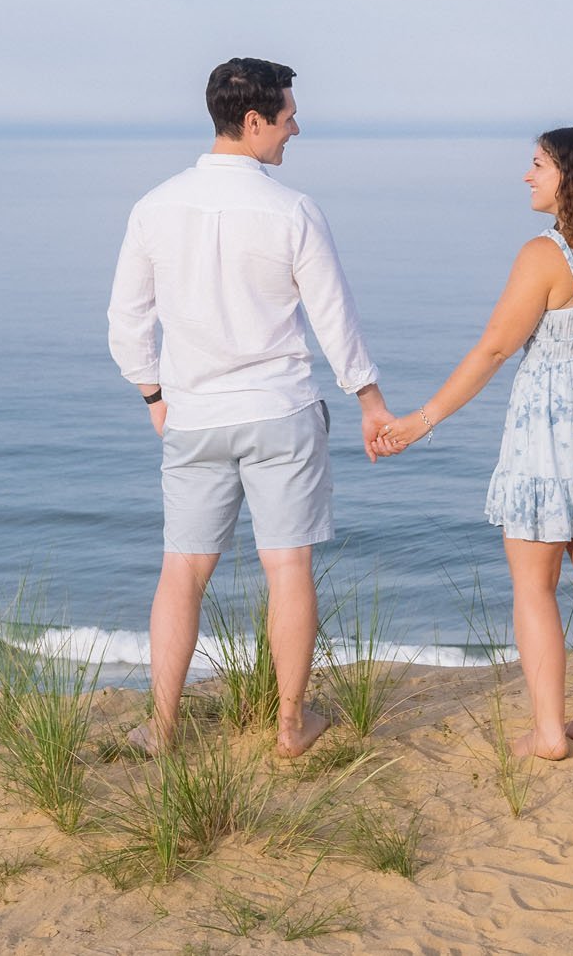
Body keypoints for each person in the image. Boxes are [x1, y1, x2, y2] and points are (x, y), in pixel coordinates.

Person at [107, 57, 395, 757]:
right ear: (254, 121)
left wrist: (153, 392)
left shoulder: (155, 205)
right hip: (280, 410)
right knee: (287, 567)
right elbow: (335, 319)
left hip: (195, 413)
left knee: (182, 570)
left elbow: (125, 321)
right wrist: (371, 401)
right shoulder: (292, 209)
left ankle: (164, 727)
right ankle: (291, 727)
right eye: (288, 115)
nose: (297, 126)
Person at [379, 125, 573, 759]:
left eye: (537, 165)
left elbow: (497, 348)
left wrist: (423, 420)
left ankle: (550, 732)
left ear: (571, 178)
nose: (527, 176)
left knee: (534, 587)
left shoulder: (544, 255)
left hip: (545, 437)